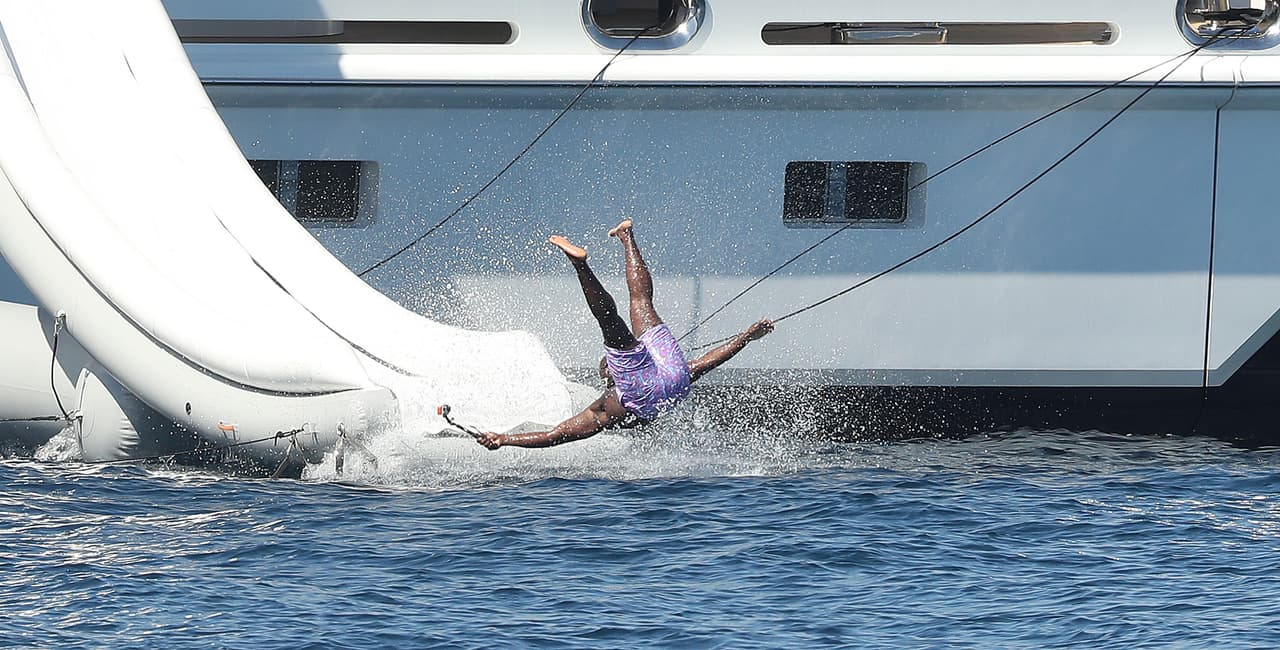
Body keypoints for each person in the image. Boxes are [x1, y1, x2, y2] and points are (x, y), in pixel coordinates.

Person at [477, 219, 773, 450]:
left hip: (674, 380)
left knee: (635, 307)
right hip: (659, 379)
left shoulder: (610, 409)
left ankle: (623, 237)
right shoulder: (611, 399)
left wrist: (747, 336)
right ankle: (595, 256)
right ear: (612, 373)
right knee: (617, 316)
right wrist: (504, 439)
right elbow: (556, 434)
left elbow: (558, 434)